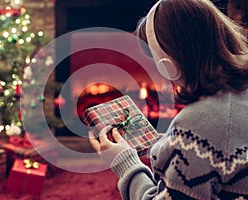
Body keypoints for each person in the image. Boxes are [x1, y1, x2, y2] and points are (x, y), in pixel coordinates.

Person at [89, 0, 248, 199]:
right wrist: (169, 140)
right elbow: (221, 142)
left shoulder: (195, 125)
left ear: (168, 64)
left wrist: (124, 162)